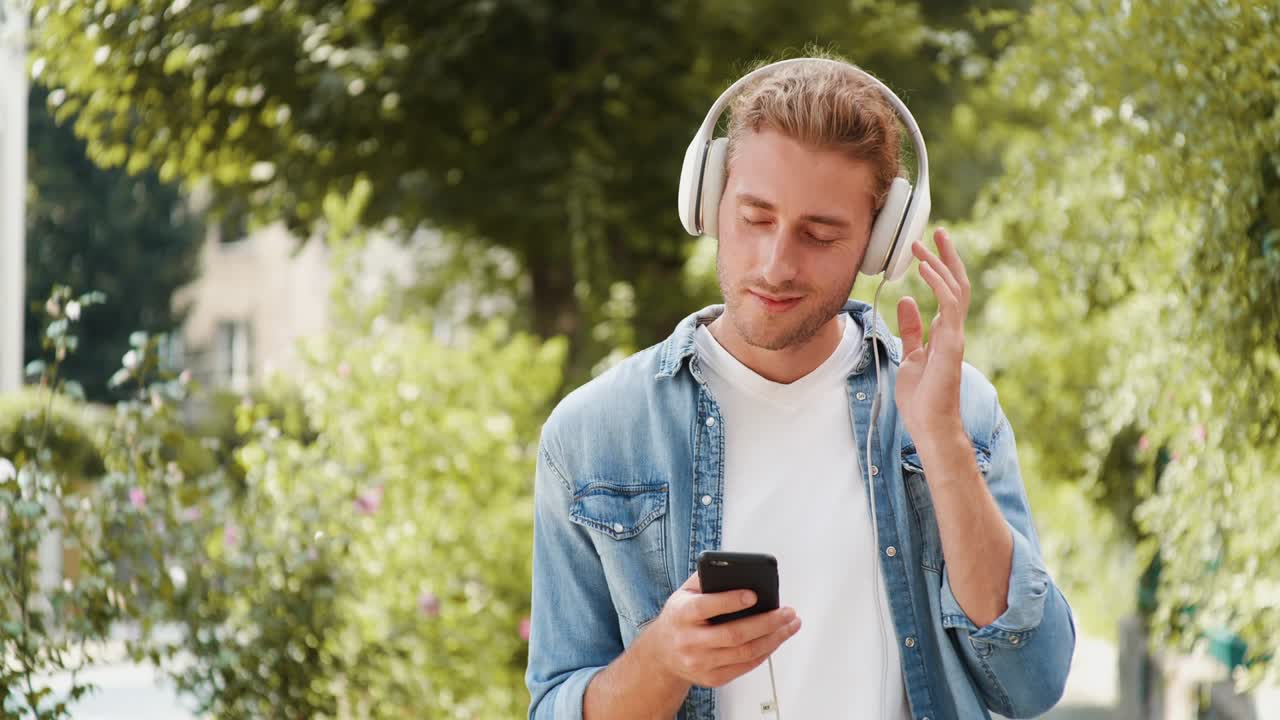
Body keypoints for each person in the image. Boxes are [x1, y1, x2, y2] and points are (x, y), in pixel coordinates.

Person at [525, 55, 1076, 720]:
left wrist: (943, 445)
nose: (776, 263)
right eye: (756, 217)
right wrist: (663, 660)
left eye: (819, 234)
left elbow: (1031, 683)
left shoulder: (959, 413)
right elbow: (557, 704)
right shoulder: (592, 436)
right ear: (708, 201)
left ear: (882, 244)